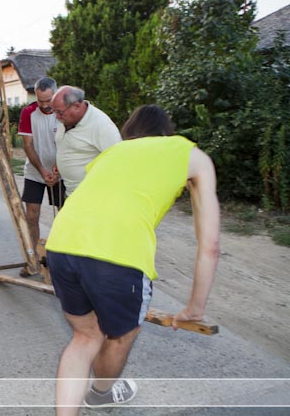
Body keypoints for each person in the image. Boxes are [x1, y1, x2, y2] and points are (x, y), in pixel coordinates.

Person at [45, 105, 220, 414]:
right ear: (167, 131)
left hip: (61, 243)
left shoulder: (112, 153)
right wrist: (195, 307)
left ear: (131, 132)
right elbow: (210, 245)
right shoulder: (192, 155)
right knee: (120, 336)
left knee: (85, 337)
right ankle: (101, 394)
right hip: (118, 256)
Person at [18, 77, 64, 277]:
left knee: (64, 215)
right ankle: (33, 258)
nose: (44, 105)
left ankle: (61, 259)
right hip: (35, 171)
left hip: (61, 172)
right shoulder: (28, 112)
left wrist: (58, 170)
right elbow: (27, 145)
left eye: (48, 101)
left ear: (56, 94)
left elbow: (70, 144)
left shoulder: (64, 111)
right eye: (40, 101)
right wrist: (42, 171)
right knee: (31, 216)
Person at [51, 86, 121, 196]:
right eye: (54, 112)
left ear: (77, 106)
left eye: (60, 112)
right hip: (70, 192)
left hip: (92, 196)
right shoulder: (66, 119)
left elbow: (118, 161)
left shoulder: (102, 125)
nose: (57, 117)